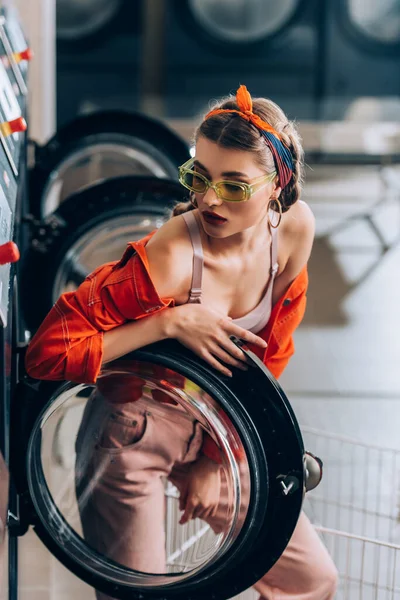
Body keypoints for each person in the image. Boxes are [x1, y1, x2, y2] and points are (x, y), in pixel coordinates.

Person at [25, 85, 338, 599]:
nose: (210, 199)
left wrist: (215, 460)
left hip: (224, 421)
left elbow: (271, 351)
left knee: (312, 581)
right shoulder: (171, 255)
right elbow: (47, 354)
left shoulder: (294, 231)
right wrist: (167, 325)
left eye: (235, 186)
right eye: (199, 177)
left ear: (276, 187)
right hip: (131, 436)